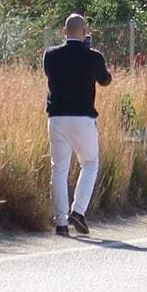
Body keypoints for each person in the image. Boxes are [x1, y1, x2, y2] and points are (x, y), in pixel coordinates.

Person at [44, 12, 112, 237]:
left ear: (64, 32)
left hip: (57, 118)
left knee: (59, 170)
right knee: (90, 163)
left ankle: (61, 222)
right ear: (85, 33)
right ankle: (78, 211)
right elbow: (105, 80)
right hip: (83, 118)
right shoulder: (93, 56)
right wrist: (90, 50)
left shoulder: (50, 55)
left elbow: (51, 74)